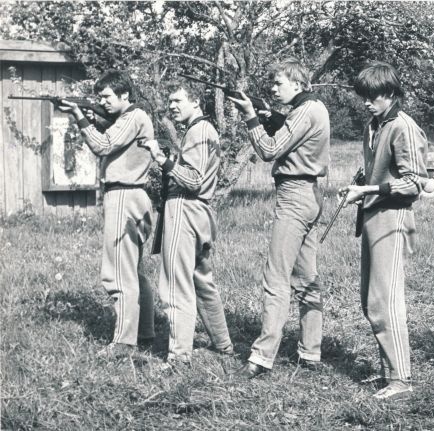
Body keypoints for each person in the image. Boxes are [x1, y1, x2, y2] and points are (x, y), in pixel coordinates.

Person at [227, 59, 331, 379]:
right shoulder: (313, 108)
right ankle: (310, 352)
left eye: (278, 83)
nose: (273, 88)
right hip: (310, 196)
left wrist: (250, 118)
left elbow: (270, 150)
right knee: (306, 278)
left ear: (298, 84)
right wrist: (272, 118)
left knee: (276, 279)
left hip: (294, 197)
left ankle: (261, 356)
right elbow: (294, 137)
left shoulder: (305, 110)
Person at [339, 62, 429, 401]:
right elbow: (375, 171)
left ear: (390, 94)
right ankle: (388, 374)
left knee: (384, 302)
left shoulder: (403, 127)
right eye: (363, 96)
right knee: (369, 300)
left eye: (372, 96)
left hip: (393, 219)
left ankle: (402, 381)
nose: (366, 102)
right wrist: (358, 184)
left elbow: (414, 183)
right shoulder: (374, 124)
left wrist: (368, 192)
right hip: (373, 217)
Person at [58, 71, 155, 358]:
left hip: (124, 195)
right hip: (134, 195)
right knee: (133, 272)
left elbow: (102, 146)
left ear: (125, 95)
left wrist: (79, 115)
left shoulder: (131, 117)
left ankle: (124, 344)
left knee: (117, 273)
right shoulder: (132, 118)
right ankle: (144, 332)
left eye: (107, 96)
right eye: (100, 97)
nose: (103, 101)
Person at [139, 81, 233, 366]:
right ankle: (224, 344)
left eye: (178, 100)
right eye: (170, 101)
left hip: (185, 209)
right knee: (201, 280)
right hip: (199, 213)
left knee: (175, 285)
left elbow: (193, 181)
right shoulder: (202, 130)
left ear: (196, 103)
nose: (172, 106)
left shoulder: (200, 131)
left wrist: (161, 159)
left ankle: (179, 357)